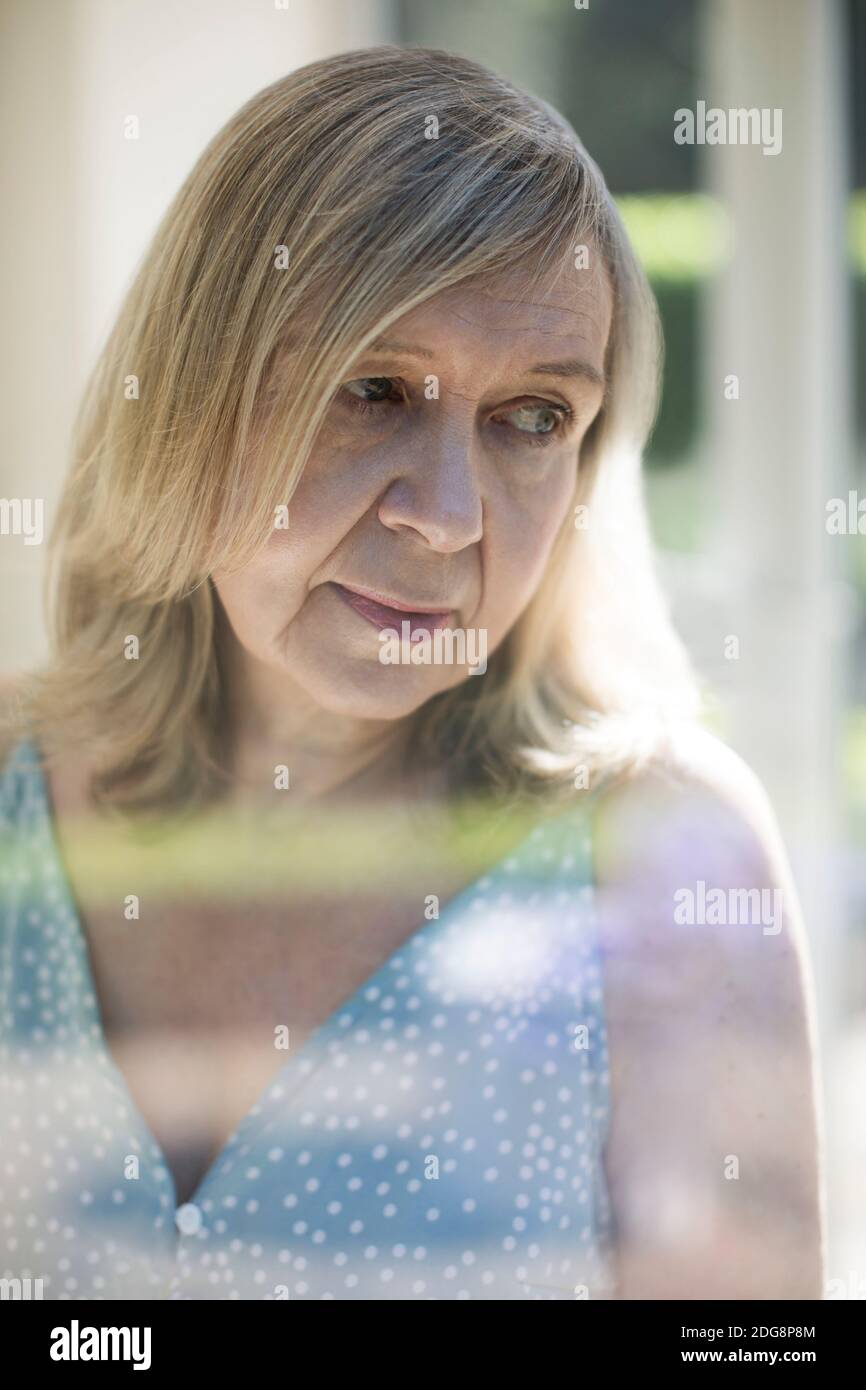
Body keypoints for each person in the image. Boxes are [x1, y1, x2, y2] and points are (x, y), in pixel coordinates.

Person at [0, 45, 822, 1301]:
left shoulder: (666, 858)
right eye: (372, 389)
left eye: (532, 417)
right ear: (193, 392)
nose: (448, 515)